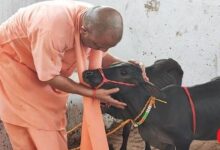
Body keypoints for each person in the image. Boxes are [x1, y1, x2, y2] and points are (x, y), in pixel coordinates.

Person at [0, 1, 147, 149]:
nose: (102, 50)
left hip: (44, 65)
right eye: (98, 46)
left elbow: (100, 53)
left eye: (108, 46)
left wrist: (129, 66)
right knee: (33, 122)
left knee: (52, 122)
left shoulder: (93, 23)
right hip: (15, 63)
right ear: (83, 31)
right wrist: (92, 93)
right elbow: (49, 76)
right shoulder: (52, 29)